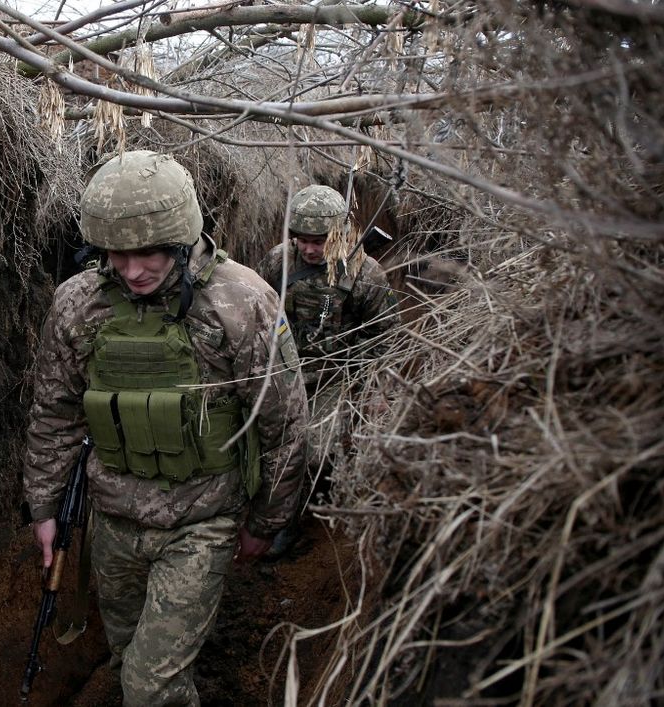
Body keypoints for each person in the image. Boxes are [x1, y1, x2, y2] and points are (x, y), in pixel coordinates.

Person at [23, 150, 308, 706]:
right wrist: (44, 508)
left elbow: (283, 422)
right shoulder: (77, 305)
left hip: (202, 521)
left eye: (148, 252)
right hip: (113, 521)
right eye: (118, 253)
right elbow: (54, 413)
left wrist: (267, 519)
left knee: (150, 687)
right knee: (130, 655)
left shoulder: (241, 301)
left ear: (181, 238)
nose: (132, 270)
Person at [254, 184, 398, 558]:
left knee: (311, 452)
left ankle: (295, 521)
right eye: (302, 239)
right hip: (284, 371)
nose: (310, 248)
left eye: (319, 240)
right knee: (264, 442)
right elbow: (254, 313)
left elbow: (385, 338)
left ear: (338, 235)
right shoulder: (276, 263)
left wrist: (374, 389)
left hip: (334, 376)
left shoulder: (366, 274)